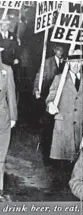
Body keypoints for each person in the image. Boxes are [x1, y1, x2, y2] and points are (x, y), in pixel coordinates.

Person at [46, 49, 83, 189]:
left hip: (82, 124)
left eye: (78, 62)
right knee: (64, 158)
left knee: (80, 157)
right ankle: (61, 190)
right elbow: (51, 97)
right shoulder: (59, 79)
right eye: (73, 62)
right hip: (64, 124)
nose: (75, 65)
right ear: (68, 63)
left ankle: (76, 186)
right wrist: (50, 105)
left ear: (82, 63)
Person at [33, 44, 65, 163]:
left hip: (62, 99)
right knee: (48, 126)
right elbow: (39, 77)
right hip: (48, 97)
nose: (60, 52)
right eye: (58, 49)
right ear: (54, 50)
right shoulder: (47, 63)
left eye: (62, 49)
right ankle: (47, 155)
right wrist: (37, 89)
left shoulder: (67, 63)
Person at [0, 45, 17, 202]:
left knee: (0, 157)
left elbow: (11, 94)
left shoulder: (7, 70)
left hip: (2, 119)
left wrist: (13, 117)